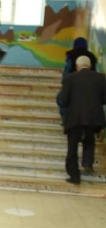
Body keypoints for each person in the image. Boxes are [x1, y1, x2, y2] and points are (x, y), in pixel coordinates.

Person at [59, 55, 106, 185]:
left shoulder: (69, 78)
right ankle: (87, 162)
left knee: (72, 147)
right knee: (89, 140)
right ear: (90, 66)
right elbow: (104, 99)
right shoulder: (101, 78)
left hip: (75, 117)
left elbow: (64, 100)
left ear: (77, 66)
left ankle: (74, 176)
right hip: (93, 117)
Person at [57, 37, 98, 122]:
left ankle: (65, 120)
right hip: (90, 86)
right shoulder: (92, 56)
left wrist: (64, 84)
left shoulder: (71, 55)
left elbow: (67, 71)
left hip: (73, 84)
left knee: (62, 99)